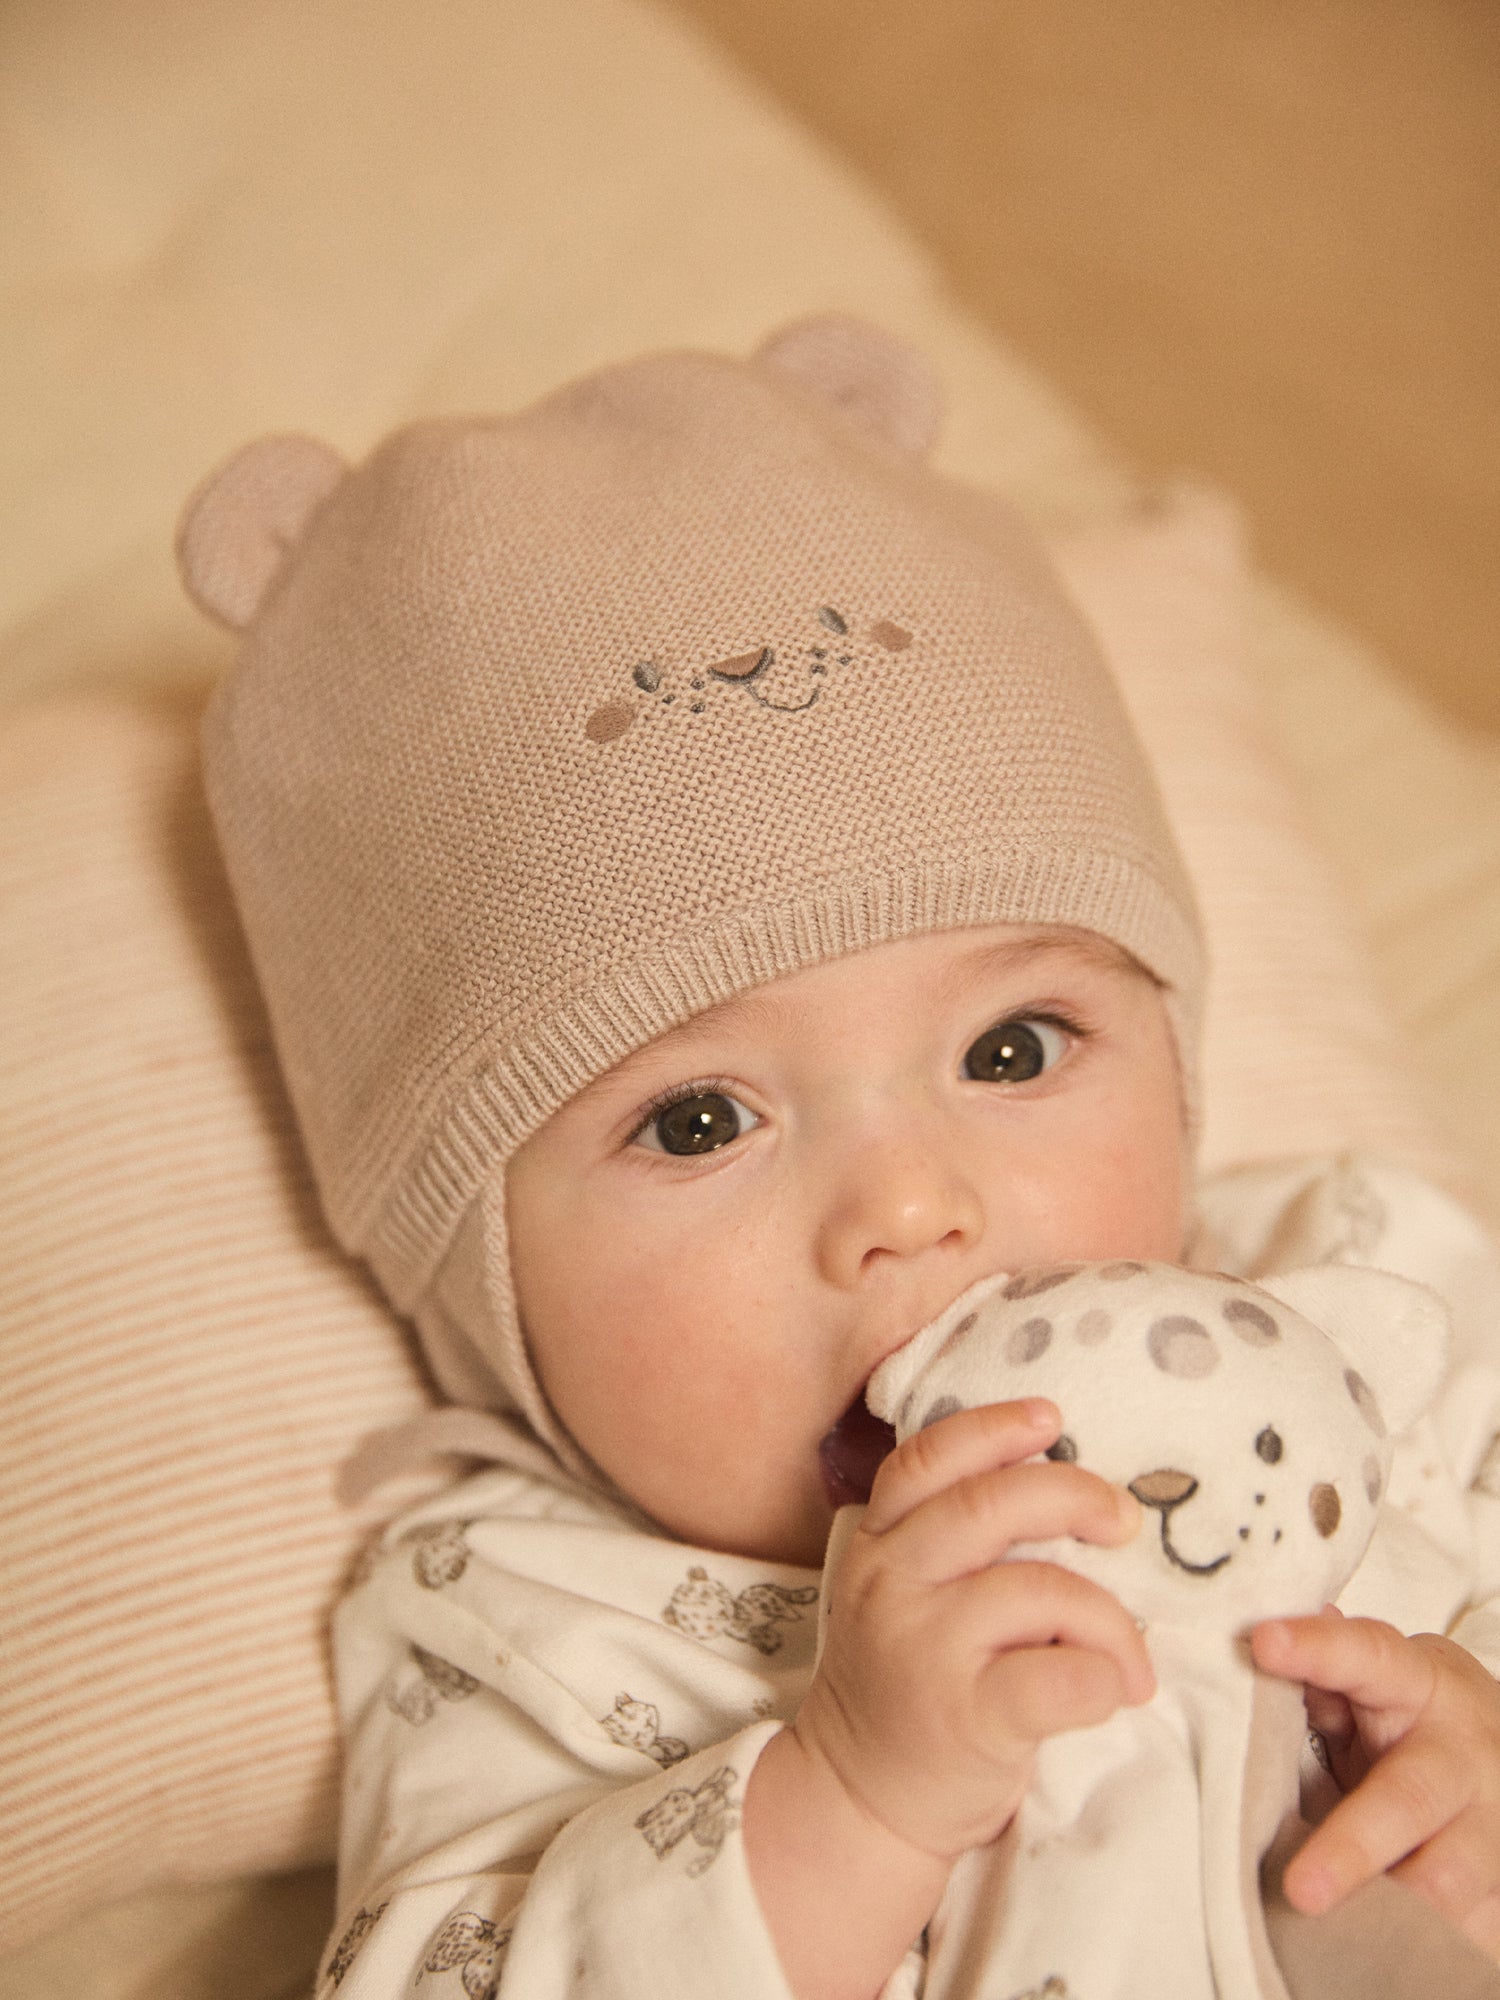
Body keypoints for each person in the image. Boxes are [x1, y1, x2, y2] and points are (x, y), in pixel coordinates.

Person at [176, 314, 1500, 1999]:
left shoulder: (1381, 1296)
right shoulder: (519, 1613)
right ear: (483, 1287)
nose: (909, 1211)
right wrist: (855, 1807)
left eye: (1013, 1050)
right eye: (700, 1120)